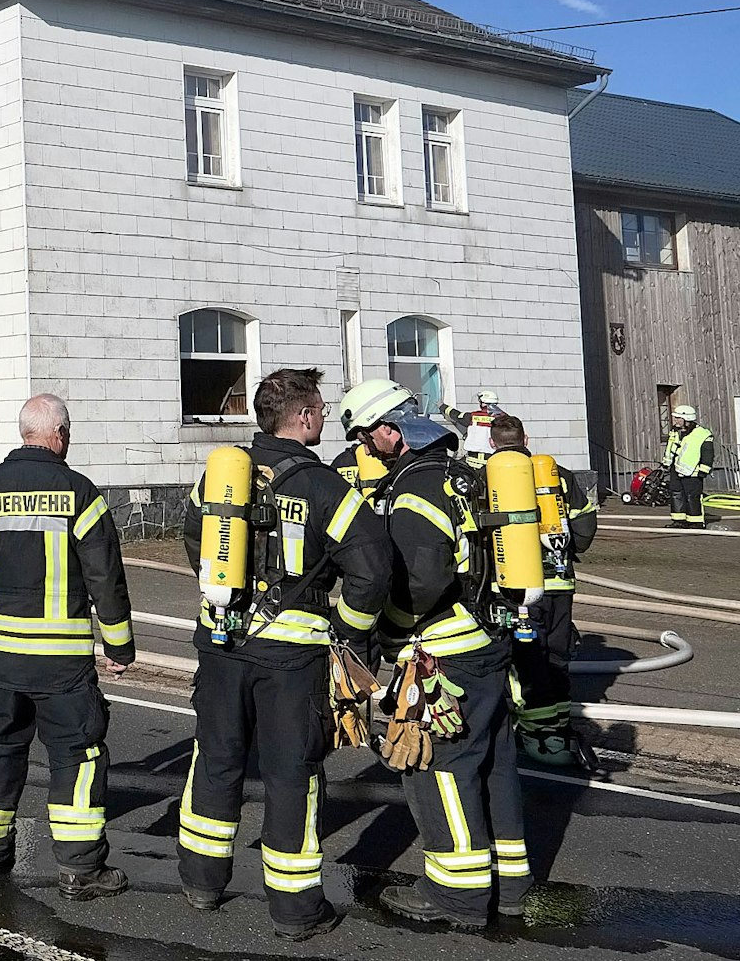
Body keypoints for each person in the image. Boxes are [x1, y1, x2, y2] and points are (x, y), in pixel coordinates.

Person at [178, 369, 391, 941]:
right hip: (292, 658)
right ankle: (295, 911)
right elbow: (372, 570)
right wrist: (346, 630)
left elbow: (194, 541)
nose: (324, 419)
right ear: (301, 417)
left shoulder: (222, 476)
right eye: (320, 410)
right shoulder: (325, 487)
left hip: (222, 645)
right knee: (292, 775)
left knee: (216, 759)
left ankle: (201, 883)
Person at [340, 378, 520, 929]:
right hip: (489, 643)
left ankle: (459, 898)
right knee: (495, 764)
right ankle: (509, 885)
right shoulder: (466, 477)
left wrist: (388, 633)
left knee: (441, 769)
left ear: (392, 431)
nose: (366, 451)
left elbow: (420, 579)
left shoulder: (415, 490)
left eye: (368, 438)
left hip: (443, 657)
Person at [0, 393, 135, 901]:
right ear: (57, 435)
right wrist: (119, 646)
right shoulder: (80, 493)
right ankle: (80, 869)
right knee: (76, 756)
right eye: (67, 434)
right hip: (62, 665)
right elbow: (105, 577)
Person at [488, 414, 597, 765]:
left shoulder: (490, 477)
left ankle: (537, 737)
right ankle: (559, 728)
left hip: (518, 587)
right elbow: (585, 525)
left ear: (492, 443)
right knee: (557, 656)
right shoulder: (559, 475)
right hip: (561, 583)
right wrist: (568, 550)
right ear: (527, 438)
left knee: (525, 664)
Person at [663, 405, 716, 529]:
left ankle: (696, 522)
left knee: (692, 496)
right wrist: (666, 463)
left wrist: (703, 470)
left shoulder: (703, 434)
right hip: (675, 469)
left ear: (686, 419)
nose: (675, 420)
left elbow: (708, 454)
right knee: (676, 494)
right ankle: (679, 521)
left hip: (693, 472)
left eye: (678, 418)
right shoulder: (675, 431)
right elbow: (671, 448)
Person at [440, 390, 506, 465]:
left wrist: (442, 407)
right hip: (493, 459)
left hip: (473, 459)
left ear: (483, 403)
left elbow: (457, 415)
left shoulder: (473, 416)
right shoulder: (504, 419)